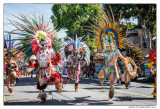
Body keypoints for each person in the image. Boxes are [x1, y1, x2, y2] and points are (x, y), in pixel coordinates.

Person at [96, 34, 126, 102]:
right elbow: (98, 54)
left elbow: (122, 58)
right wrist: (98, 54)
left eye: (108, 46)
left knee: (111, 83)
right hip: (105, 67)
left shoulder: (116, 51)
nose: (107, 47)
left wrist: (125, 60)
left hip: (112, 68)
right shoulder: (105, 51)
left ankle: (110, 97)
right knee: (99, 76)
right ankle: (102, 78)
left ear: (112, 45)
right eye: (106, 46)